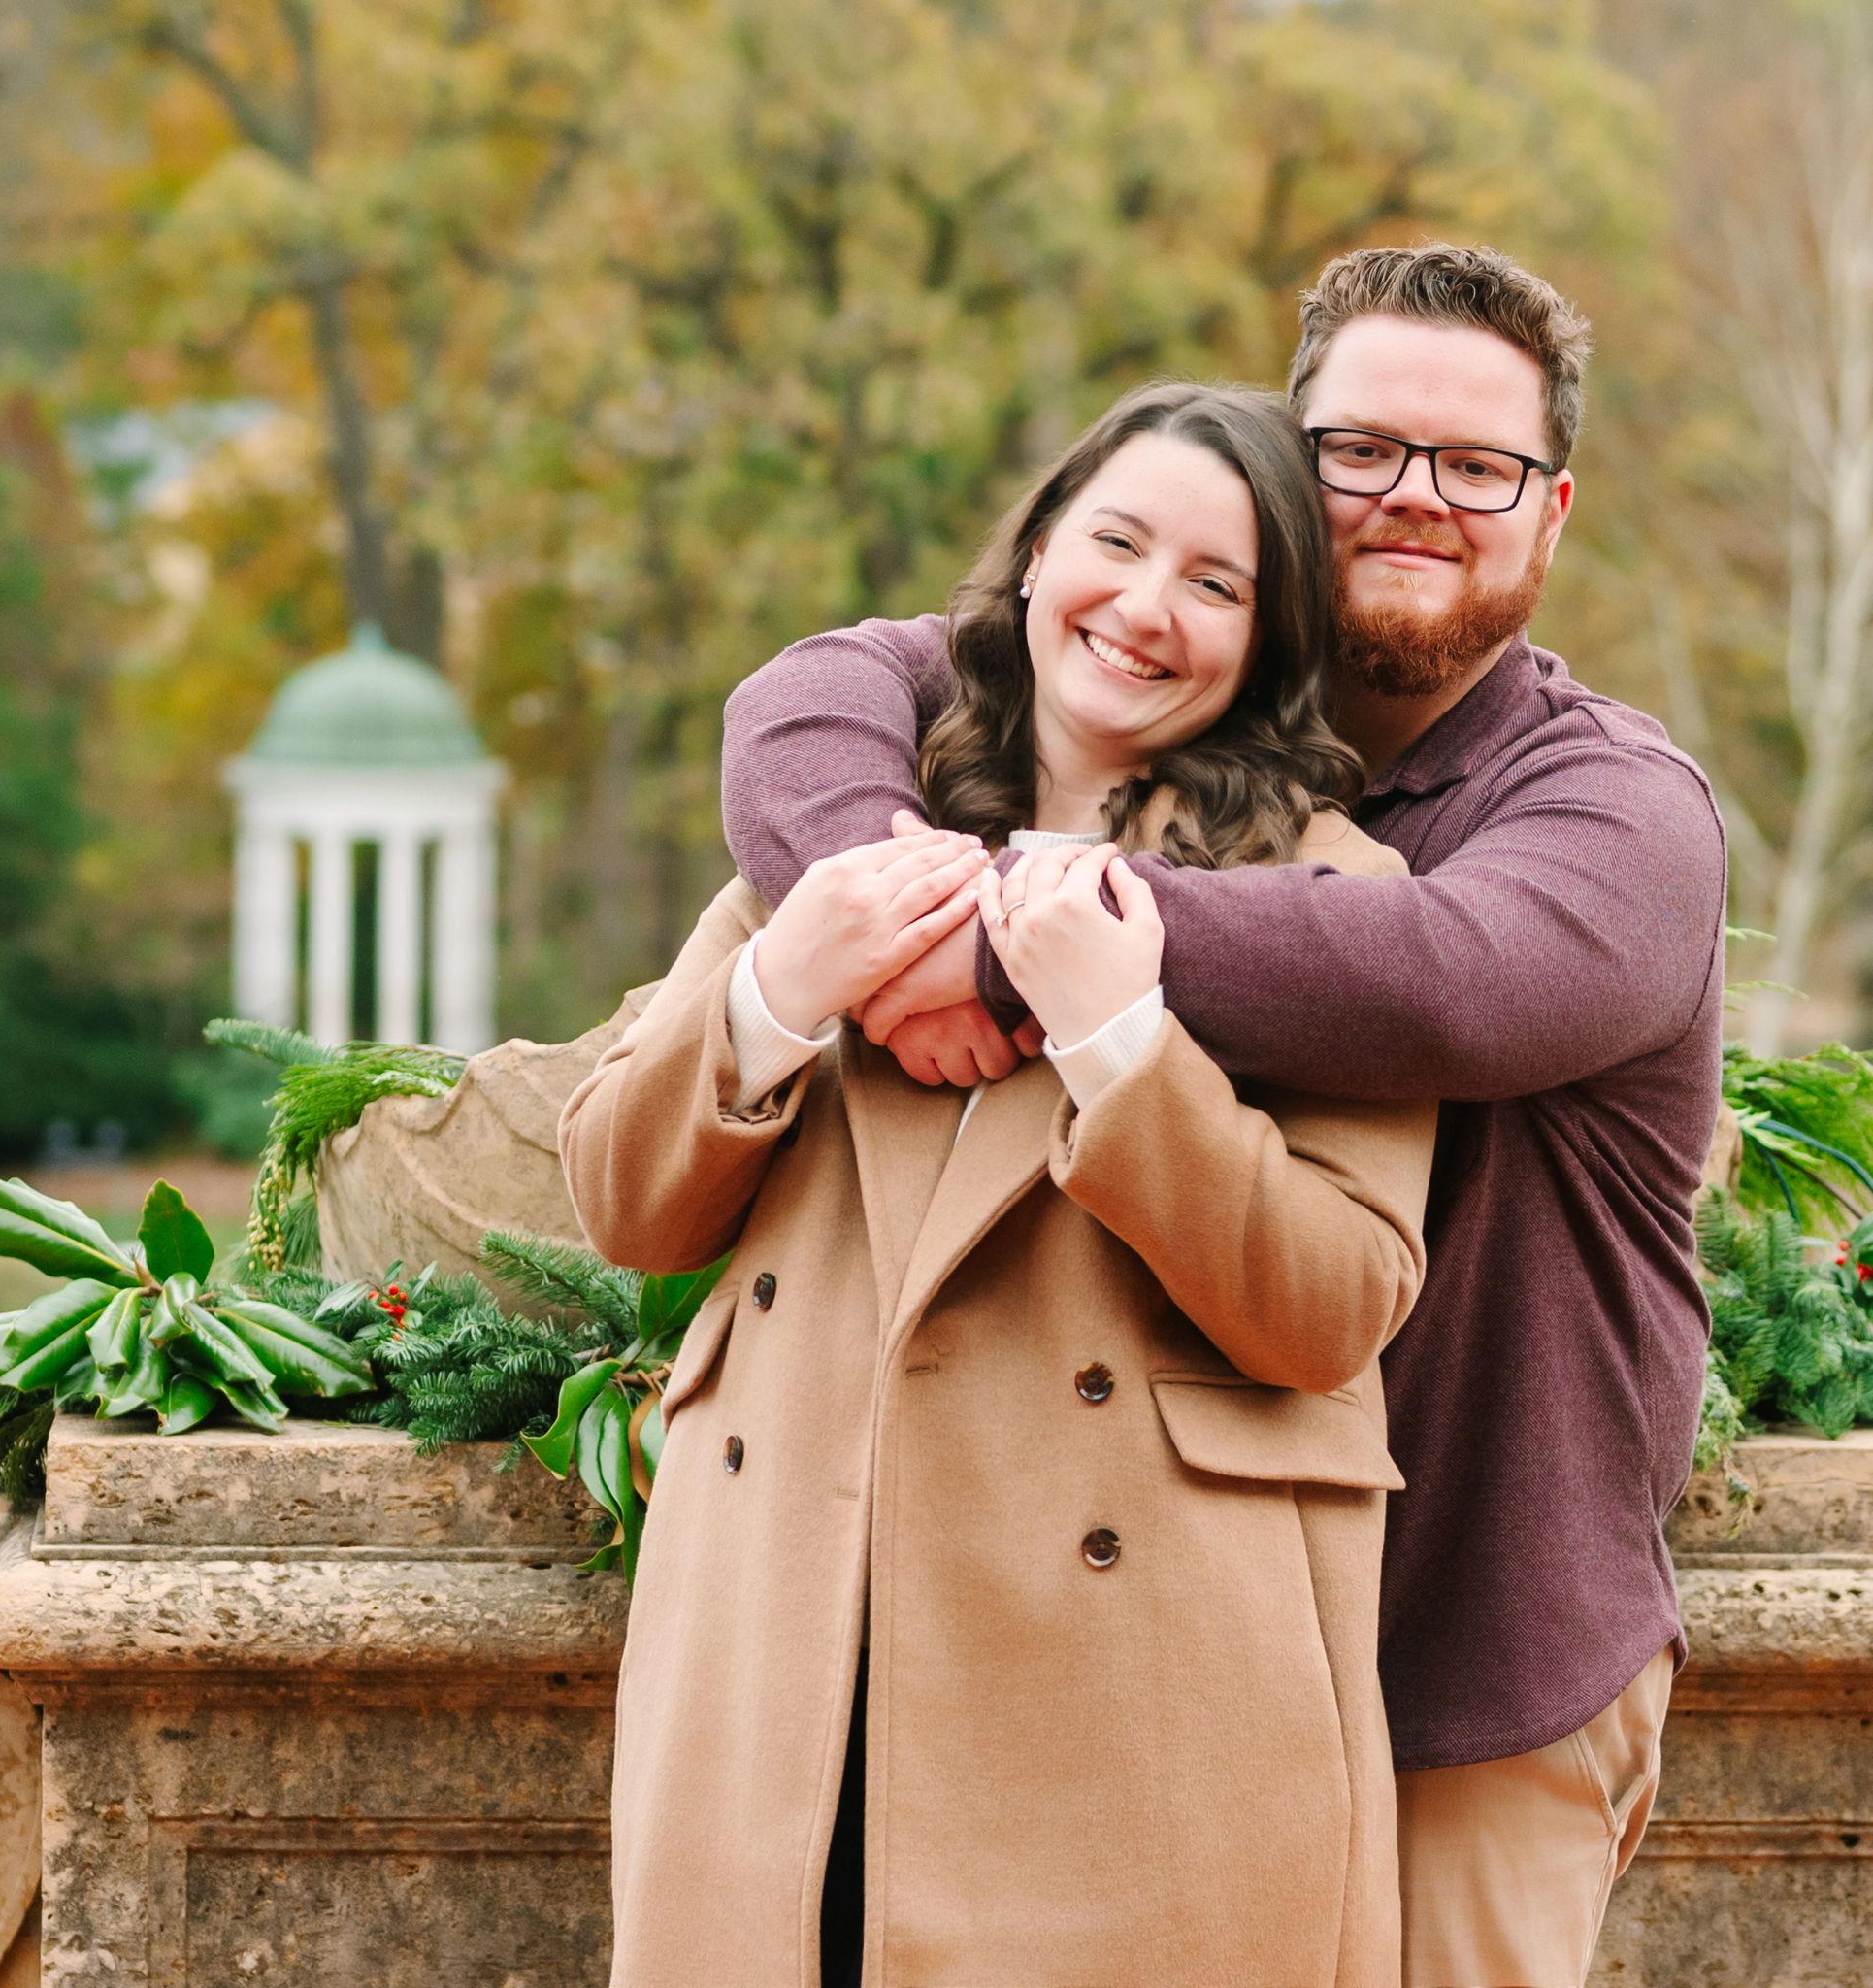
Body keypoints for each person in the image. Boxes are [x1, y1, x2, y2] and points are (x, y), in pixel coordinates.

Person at [718, 245, 1727, 1988]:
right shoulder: (1159, 693)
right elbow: (810, 693)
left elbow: (1447, 979)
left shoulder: (1610, 810)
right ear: (1285, 456)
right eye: (1359, 452)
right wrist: (890, 921)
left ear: (1548, 513)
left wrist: (1020, 934)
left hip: (1464, 1658)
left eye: (1473, 466)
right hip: (1155, 1668)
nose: (1412, 500)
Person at [559, 382, 1438, 1987]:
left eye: (1216, 584)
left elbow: (1334, 1309)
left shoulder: (1330, 896)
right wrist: (778, 995)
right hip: (788, 1649)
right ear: (1037, 554)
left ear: (1267, 640)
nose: (1144, 609)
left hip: (1140, 1695)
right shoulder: (841, 833)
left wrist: (1121, 1045)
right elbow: (625, 1205)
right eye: (1115, 541)